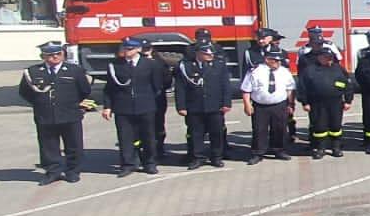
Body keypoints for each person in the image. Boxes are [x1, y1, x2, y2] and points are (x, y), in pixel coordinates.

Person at [18, 40, 92, 183]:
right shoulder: (33, 72)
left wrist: (71, 103)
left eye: (58, 53)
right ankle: (53, 171)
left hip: (70, 113)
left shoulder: (74, 70)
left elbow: (84, 90)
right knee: (48, 145)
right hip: (45, 115)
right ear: (43, 56)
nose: (55, 57)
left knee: (74, 145)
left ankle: (72, 171)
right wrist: (41, 103)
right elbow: (25, 92)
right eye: (50, 55)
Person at [101, 36, 163, 175]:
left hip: (145, 106)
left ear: (138, 49)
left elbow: (157, 86)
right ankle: (127, 164)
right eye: (125, 48)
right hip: (123, 107)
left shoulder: (150, 64)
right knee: (125, 137)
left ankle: (149, 163)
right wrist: (107, 106)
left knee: (148, 137)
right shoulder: (115, 65)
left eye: (131, 48)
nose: (127, 51)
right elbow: (109, 88)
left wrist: (149, 101)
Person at [173, 41, 233, 167]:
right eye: (207, 53)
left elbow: (226, 85)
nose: (211, 55)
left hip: (215, 106)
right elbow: (180, 88)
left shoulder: (219, 65)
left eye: (211, 53)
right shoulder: (186, 66)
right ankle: (198, 157)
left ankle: (216, 157)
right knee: (196, 134)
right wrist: (181, 106)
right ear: (198, 53)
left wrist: (227, 103)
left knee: (216, 133)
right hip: (194, 106)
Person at [242, 44, 297, 162]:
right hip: (260, 106)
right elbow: (246, 89)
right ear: (267, 59)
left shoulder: (284, 72)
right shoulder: (255, 71)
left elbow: (290, 89)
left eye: (280, 60)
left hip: (279, 105)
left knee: (280, 129)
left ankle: (279, 150)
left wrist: (291, 104)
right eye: (276, 60)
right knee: (259, 130)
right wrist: (247, 105)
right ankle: (258, 153)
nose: (279, 63)